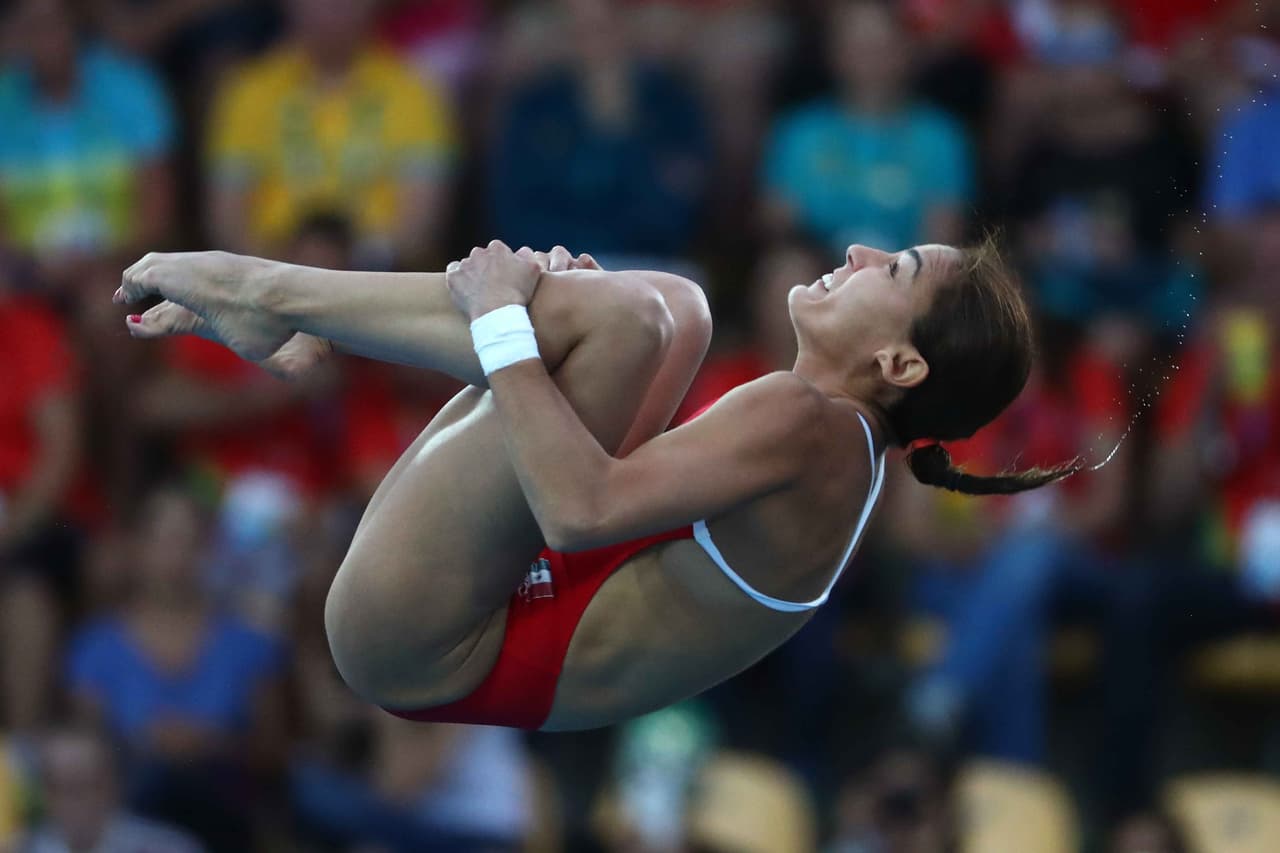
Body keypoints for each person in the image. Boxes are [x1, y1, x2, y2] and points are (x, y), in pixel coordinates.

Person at [113, 236, 1078, 732]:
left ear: (898, 366)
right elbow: (586, 501)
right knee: (668, 309)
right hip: (493, 609)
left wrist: (506, 325)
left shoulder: (812, 425)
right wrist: (545, 340)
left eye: (894, 268)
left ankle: (262, 291)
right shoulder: (830, 442)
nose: (861, 254)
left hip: (434, 641)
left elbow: (579, 512)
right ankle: (273, 310)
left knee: (624, 321)